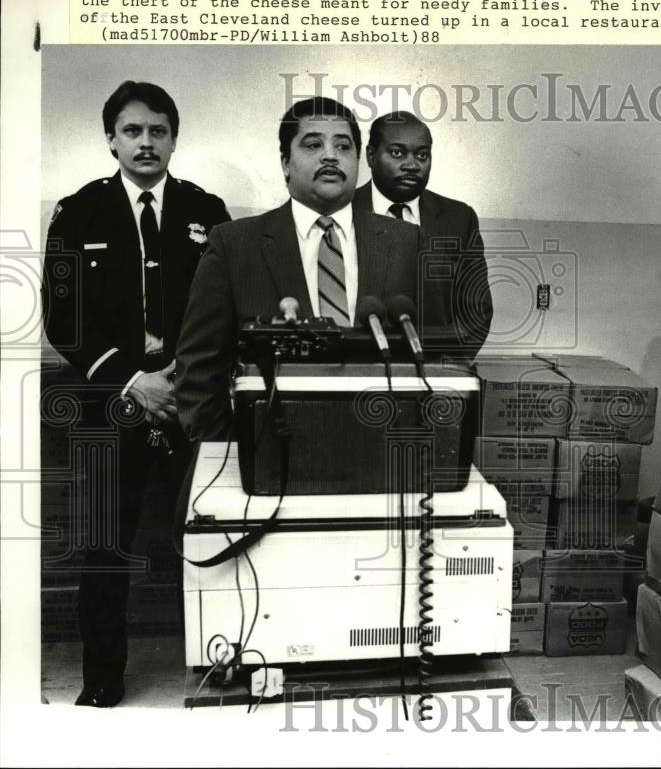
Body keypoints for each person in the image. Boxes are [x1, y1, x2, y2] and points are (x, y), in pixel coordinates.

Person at [42, 80, 230, 708]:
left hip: (189, 400)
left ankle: (221, 665)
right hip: (107, 401)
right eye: (132, 131)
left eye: (158, 131)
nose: (145, 143)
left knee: (211, 532)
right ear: (111, 140)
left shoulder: (207, 212)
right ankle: (101, 680)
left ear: (174, 139)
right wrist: (132, 377)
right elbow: (63, 321)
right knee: (103, 544)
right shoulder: (78, 213)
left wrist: (180, 378)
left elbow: (224, 310)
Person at [174, 96, 430, 443]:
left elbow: (432, 356)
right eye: (313, 144)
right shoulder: (235, 244)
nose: (330, 155)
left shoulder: (405, 242)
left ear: (358, 160)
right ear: (285, 162)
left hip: (380, 452)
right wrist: (232, 456)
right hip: (270, 456)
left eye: (343, 145)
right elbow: (198, 371)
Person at [354, 111, 493, 357]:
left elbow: (477, 310)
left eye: (422, 155)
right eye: (397, 153)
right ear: (371, 156)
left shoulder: (459, 218)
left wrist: (446, 369)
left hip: (434, 372)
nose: (412, 165)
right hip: (357, 369)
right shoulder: (343, 212)